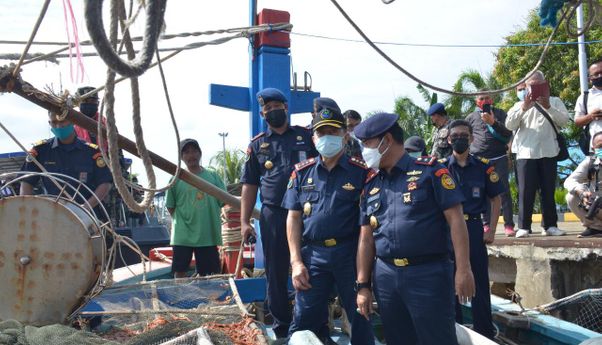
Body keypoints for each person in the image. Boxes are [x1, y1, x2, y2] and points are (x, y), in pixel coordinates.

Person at [354, 113, 475, 345]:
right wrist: (363, 285)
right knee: (397, 339)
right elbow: (366, 239)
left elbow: (456, 220)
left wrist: (463, 269)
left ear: (386, 140)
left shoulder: (430, 172)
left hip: (428, 274)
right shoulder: (371, 184)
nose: (364, 150)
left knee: (437, 339)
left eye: (367, 143)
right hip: (386, 276)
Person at [282, 105, 374, 344]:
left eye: (332, 131)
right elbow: (293, 218)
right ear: (314, 138)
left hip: (350, 254)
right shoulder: (301, 174)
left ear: (344, 135)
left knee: (360, 316)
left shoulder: (361, 173)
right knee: (303, 319)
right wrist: (296, 262)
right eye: (321, 133)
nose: (327, 137)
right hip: (313, 256)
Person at [240, 88, 318, 338]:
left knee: (310, 264)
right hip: (273, 214)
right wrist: (244, 221)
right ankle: (283, 326)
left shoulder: (307, 137)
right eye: (267, 108)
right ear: (263, 113)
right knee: (275, 270)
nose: (272, 110)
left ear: (286, 107)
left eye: (277, 106)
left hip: (307, 211)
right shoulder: (257, 145)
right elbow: (249, 185)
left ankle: (311, 322)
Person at [442, 120, 503, 340]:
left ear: (472, 138)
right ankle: (455, 333)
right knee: (449, 283)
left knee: (479, 283)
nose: (459, 139)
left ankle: (485, 334)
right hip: (447, 231)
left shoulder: (483, 166)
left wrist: (492, 230)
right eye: (455, 135)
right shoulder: (439, 168)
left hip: (474, 228)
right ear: (449, 139)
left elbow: (496, 200)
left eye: (464, 135)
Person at [506, 71, 571, 238]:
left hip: (549, 152)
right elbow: (509, 125)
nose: (534, 88)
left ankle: (550, 225)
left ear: (545, 84)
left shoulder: (555, 101)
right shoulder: (517, 105)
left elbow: (564, 121)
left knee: (548, 191)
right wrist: (523, 107)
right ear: (526, 87)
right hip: (526, 154)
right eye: (531, 85)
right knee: (526, 192)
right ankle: (524, 227)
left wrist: (548, 106)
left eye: (538, 85)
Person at [20, 111, 112, 211]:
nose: (58, 126)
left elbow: (105, 183)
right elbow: (26, 181)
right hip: (51, 214)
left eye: (62, 121)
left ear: (73, 121)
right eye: (54, 122)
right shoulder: (41, 151)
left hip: (86, 215)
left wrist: (85, 208)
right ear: (49, 123)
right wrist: (28, 209)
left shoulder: (92, 152)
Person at [166, 139, 225, 278]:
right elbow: (170, 207)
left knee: (210, 274)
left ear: (200, 153)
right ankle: (178, 295)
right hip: (182, 235)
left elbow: (223, 201)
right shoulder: (175, 178)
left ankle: (210, 299)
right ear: (181, 157)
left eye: (194, 151)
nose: (191, 155)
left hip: (207, 234)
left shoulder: (213, 176)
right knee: (180, 270)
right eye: (186, 152)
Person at [465, 91, 515, 236]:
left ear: (491, 99)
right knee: (482, 192)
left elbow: (507, 133)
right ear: (477, 101)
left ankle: (508, 225)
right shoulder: (471, 117)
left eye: (487, 97)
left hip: (499, 157)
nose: (485, 100)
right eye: (481, 98)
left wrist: (492, 122)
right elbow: (467, 136)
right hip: (479, 159)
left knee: (504, 191)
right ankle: (486, 224)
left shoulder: (500, 113)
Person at [564, 131, 602, 237]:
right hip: (597, 205)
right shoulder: (590, 162)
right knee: (571, 196)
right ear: (594, 149)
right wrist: (581, 192)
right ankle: (596, 228)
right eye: (600, 146)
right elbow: (569, 181)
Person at [575, 60, 602, 152]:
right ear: (590, 79)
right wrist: (591, 116)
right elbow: (577, 121)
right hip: (598, 147)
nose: (600, 76)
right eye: (596, 74)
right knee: (599, 164)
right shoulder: (585, 97)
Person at [73, 86, 108, 151]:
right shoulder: (72, 124)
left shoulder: (107, 124)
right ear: (78, 103)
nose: (89, 103)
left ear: (98, 103)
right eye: (85, 101)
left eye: (92, 101)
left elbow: (117, 147)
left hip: (105, 159)